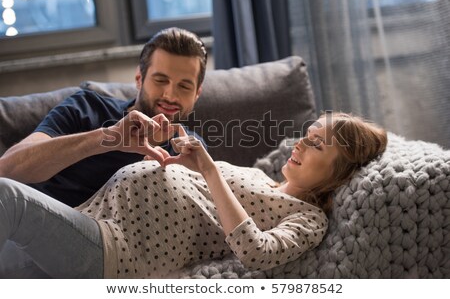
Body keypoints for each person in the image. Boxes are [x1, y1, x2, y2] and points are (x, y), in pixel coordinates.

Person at [0, 112, 388, 278]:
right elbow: (193, 190)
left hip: (118, 256)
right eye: (307, 133)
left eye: (317, 144)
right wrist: (173, 156)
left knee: (8, 198)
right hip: (94, 218)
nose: (301, 142)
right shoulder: (260, 177)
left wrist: (209, 168)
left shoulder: (309, 218)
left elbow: (257, 253)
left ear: (339, 175)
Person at [0, 27, 207, 278]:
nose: (169, 94)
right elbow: (7, 169)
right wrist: (106, 138)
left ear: (197, 94)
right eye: (160, 80)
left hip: (105, 257)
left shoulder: (191, 150)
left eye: (184, 86)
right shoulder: (87, 107)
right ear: (139, 79)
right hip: (28, 241)